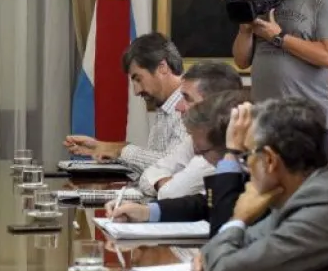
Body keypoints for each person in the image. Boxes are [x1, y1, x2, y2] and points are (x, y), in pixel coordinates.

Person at [199, 97, 328, 271]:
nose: (247, 168)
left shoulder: (325, 207)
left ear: (270, 160)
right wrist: (222, 248)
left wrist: (238, 219)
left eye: (247, 157)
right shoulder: (296, 198)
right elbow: (228, 253)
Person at [232, 0, 328, 150]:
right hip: (263, 121)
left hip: (306, 122)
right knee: (265, 184)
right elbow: (241, 61)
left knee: (306, 184)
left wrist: (278, 37)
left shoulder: (324, 2)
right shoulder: (265, 0)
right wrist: (245, 31)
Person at [106, 90, 250, 236]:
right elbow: (203, 204)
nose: (199, 157)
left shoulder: (259, 175)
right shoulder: (235, 161)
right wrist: (146, 211)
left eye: (202, 151)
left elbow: (222, 231)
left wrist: (231, 155)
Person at [64, 32, 188, 171]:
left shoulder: (190, 105)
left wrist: (118, 150)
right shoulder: (166, 107)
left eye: (138, 79)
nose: (136, 91)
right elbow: (154, 165)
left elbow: (174, 165)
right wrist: (104, 148)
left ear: (162, 68)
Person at [139, 62, 243, 199]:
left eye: (187, 98)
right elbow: (149, 174)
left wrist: (169, 182)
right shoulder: (194, 140)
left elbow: (169, 194)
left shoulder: (218, 150)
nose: (179, 107)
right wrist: (165, 182)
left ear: (215, 105)